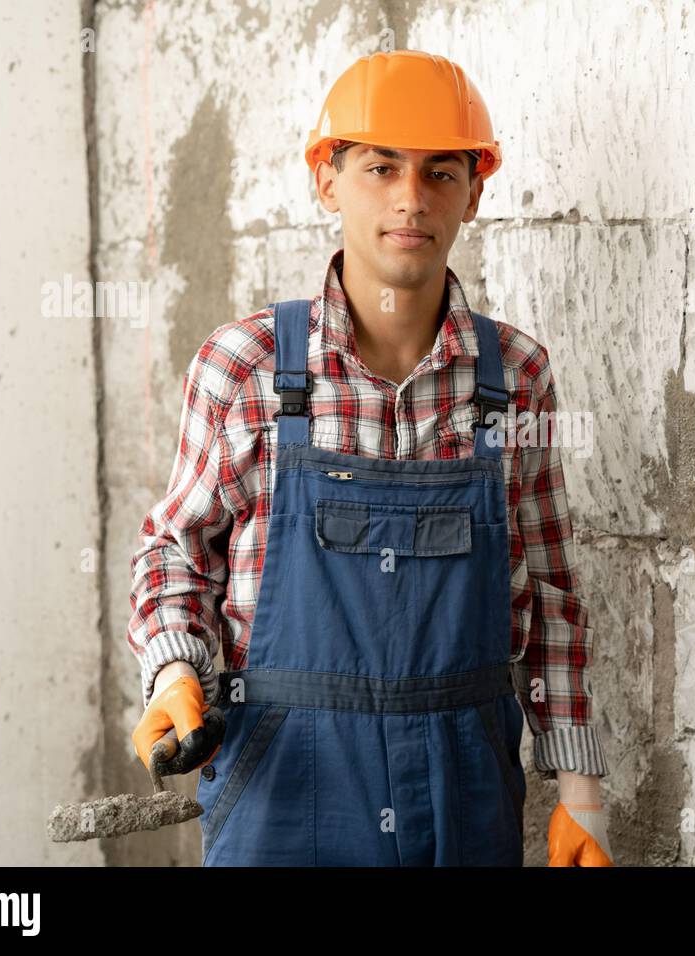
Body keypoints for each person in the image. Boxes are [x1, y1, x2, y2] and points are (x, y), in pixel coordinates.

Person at [126, 49, 612, 866]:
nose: (410, 200)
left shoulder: (516, 377)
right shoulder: (245, 367)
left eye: (440, 173)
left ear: (476, 190)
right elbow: (175, 553)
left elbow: (553, 595)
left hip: (464, 795)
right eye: (381, 168)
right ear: (328, 179)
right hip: (283, 792)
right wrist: (177, 673)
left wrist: (581, 792)